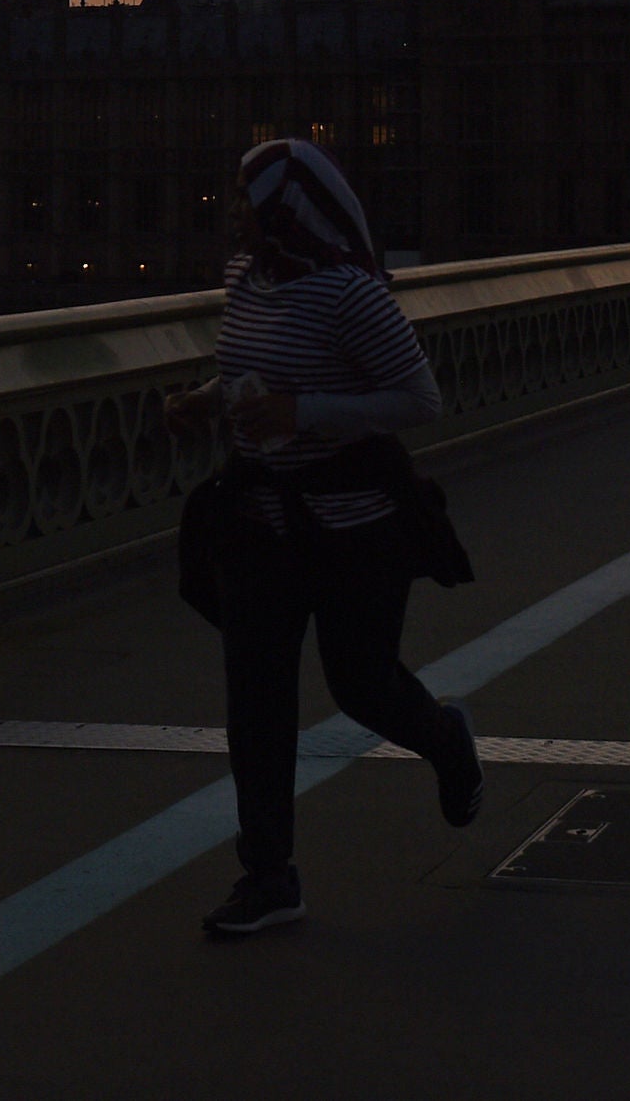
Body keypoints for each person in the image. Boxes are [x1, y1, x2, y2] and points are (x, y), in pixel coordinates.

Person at [164, 138, 482, 939]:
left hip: (353, 531)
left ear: (285, 210)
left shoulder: (350, 294)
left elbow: (418, 399)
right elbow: (252, 372)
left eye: (245, 198)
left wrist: (305, 416)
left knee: (361, 684)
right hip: (258, 524)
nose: (232, 211)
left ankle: (446, 740)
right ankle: (268, 877)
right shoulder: (244, 281)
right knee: (256, 702)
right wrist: (209, 400)